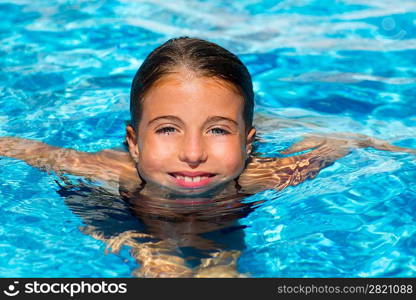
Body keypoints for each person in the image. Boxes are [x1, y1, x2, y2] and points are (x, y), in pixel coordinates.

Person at [0, 37, 414, 277]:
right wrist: (144, 248)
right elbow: (29, 150)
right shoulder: (108, 168)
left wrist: (390, 145)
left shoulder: (265, 176)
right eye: (167, 129)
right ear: (134, 142)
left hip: (225, 210)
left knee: (223, 270)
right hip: (130, 207)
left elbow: (339, 141)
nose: (194, 154)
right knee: (131, 241)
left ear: (249, 145)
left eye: (217, 130)